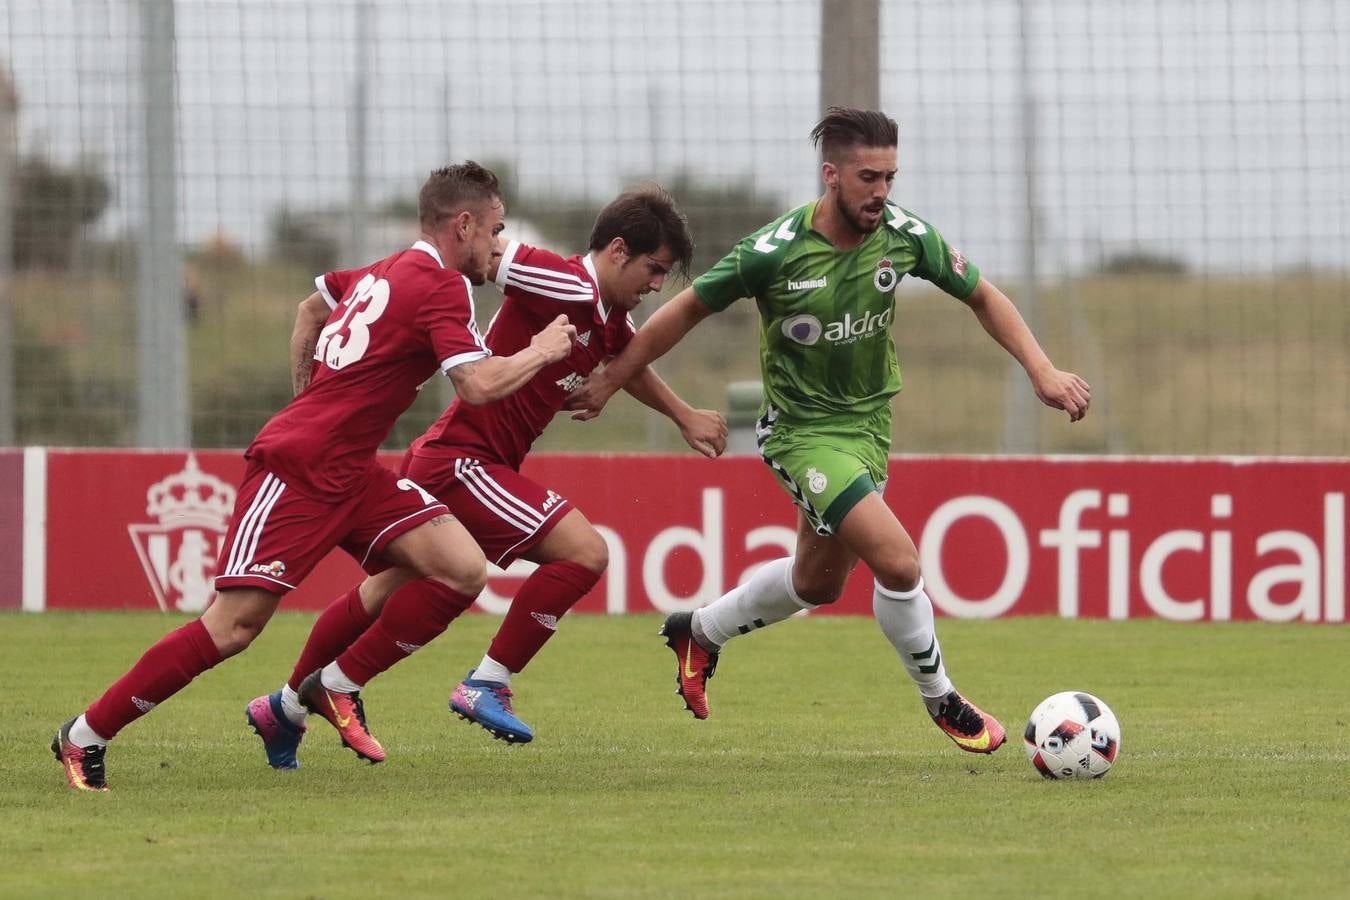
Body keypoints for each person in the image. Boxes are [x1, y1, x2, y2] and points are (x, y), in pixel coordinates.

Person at [566, 108, 1091, 754]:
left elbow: (982, 294)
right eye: (868, 176)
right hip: (802, 434)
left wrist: (1041, 368)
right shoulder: (775, 251)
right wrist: (615, 377)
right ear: (830, 174)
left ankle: (697, 630)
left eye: (890, 177)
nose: (881, 192)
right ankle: (942, 698)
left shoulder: (904, 236)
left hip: (869, 426)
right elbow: (684, 310)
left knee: (818, 584)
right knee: (898, 562)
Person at [51, 162, 578, 791]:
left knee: (459, 566)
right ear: (462, 225)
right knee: (234, 628)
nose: (498, 246)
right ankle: (84, 736)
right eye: (494, 230)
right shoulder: (442, 286)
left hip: (353, 470)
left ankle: (324, 689)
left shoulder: (383, 271)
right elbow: (476, 384)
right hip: (298, 470)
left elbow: (310, 308)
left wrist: (310, 395)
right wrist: (543, 352)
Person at [245, 185, 725, 767]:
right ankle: (480, 682)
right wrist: (438, 261)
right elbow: (493, 258)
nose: (655, 285)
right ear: (618, 250)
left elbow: (629, 364)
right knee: (585, 553)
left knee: (384, 591)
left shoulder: (604, 316)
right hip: (465, 461)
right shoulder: (566, 280)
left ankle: (285, 710)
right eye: (654, 269)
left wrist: (682, 415)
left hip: (453, 457)